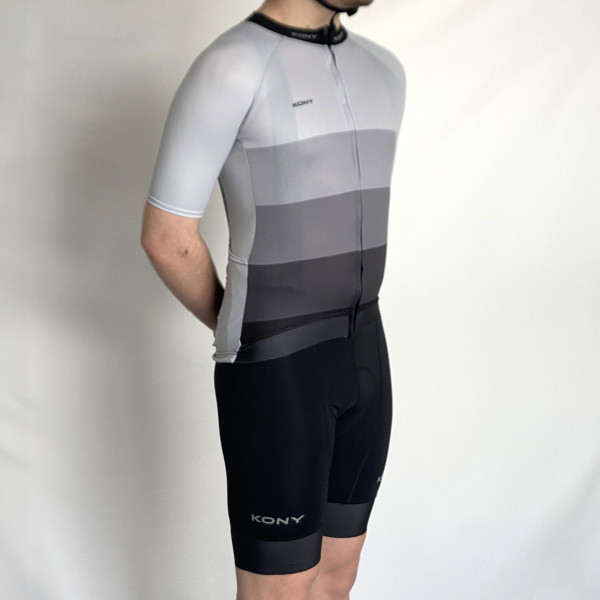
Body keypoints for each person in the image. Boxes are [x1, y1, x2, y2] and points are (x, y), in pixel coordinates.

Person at [140, 0, 406, 597]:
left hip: (366, 353)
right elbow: (166, 235)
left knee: (337, 578)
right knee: (277, 592)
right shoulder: (234, 67)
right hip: (276, 369)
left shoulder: (385, 70)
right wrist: (244, 326)